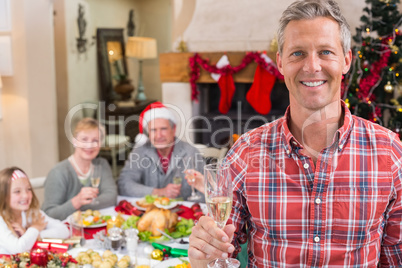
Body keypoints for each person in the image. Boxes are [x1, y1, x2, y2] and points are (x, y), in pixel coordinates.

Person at [188, 0, 402, 267]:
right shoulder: (245, 152)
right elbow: (220, 254)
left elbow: (396, 258)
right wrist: (202, 257)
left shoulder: (390, 152)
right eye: (297, 53)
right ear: (280, 62)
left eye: (325, 52)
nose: (312, 66)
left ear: (346, 60)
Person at [118, 102, 204, 200]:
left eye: (163, 129)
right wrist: (158, 192)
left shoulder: (190, 152)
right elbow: (124, 184)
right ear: (148, 133)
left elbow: (209, 190)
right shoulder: (139, 151)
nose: (159, 136)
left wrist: (192, 206)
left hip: (184, 212)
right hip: (150, 212)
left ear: (173, 129)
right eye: (153, 130)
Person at [42, 118, 118, 221]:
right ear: (74, 141)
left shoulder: (102, 165)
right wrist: (76, 202)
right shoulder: (58, 173)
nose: (89, 145)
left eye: (95, 140)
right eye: (84, 139)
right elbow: (49, 214)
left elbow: (111, 197)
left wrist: (80, 207)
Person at [0, 167, 69, 254]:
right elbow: (18, 249)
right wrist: (35, 228)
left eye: (28, 189)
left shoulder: (31, 213)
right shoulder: (1, 220)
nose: (25, 195)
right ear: (3, 195)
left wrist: (34, 234)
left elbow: (64, 230)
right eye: (17, 191)